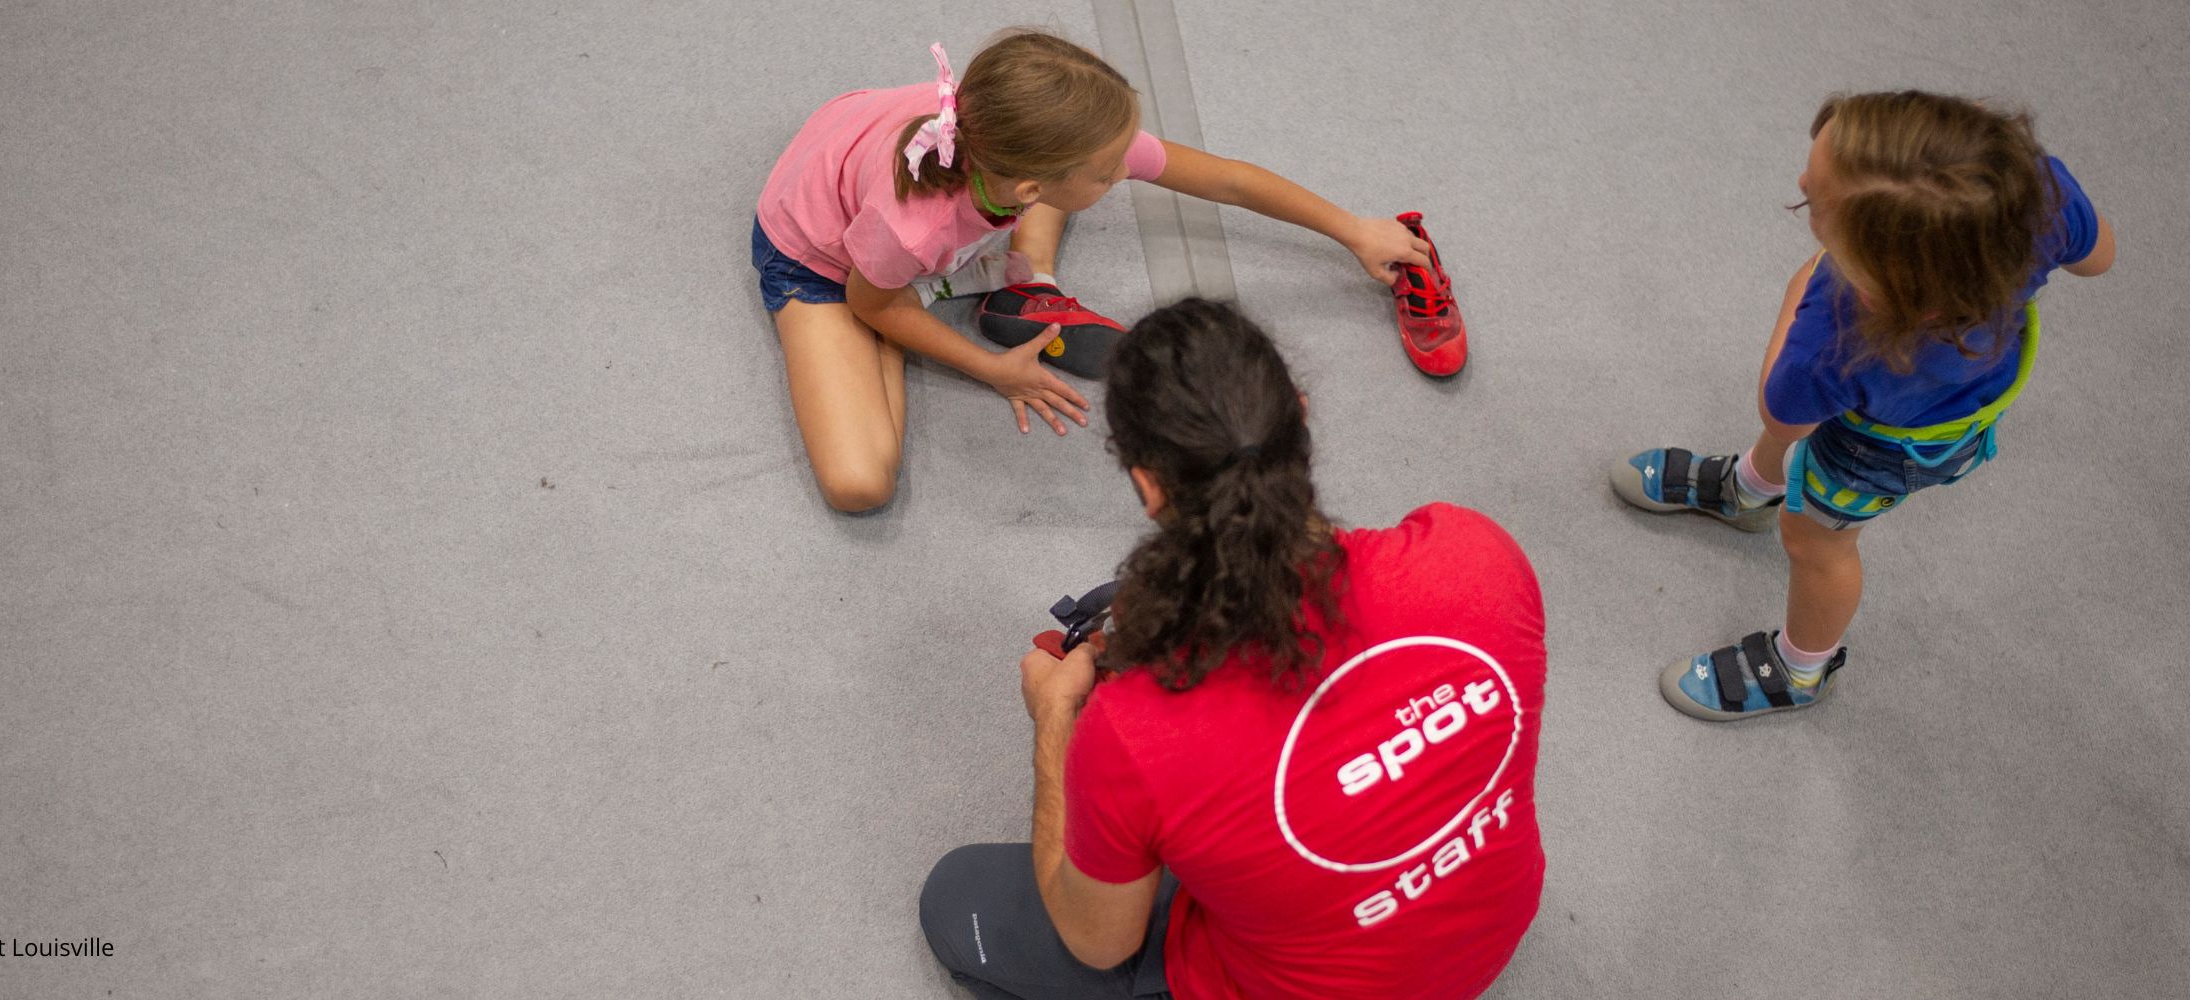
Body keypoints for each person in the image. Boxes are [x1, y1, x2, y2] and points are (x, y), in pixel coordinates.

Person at [919, 299, 1547, 999]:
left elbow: (1098, 944)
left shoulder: (1132, 730)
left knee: (955, 899)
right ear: (1301, 416)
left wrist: (1055, 724)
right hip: (1483, 939)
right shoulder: (1477, 556)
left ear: (1148, 488)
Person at [754, 30, 1437, 513]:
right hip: (824, 261)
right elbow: (870, 300)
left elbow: (1224, 179)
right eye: (1109, 170)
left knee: (938, 271)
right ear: (1028, 189)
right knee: (862, 483)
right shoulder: (917, 225)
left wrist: (1352, 229)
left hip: (893, 174)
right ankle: (926, 306)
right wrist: (990, 368)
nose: (1125, 170)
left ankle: (1021, 280)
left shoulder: (1020, 137)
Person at [1610, 91, 2115, 720]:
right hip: (1967, 390)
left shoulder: (1838, 333)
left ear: (1882, 272)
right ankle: (1751, 488)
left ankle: (1800, 670)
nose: (1799, 182)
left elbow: (1783, 414)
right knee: (1801, 461)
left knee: (1816, 541)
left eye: (1812, 202)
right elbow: (2099, 259)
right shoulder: (2032, 193)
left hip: (1873, 449)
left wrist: (1799, 295)